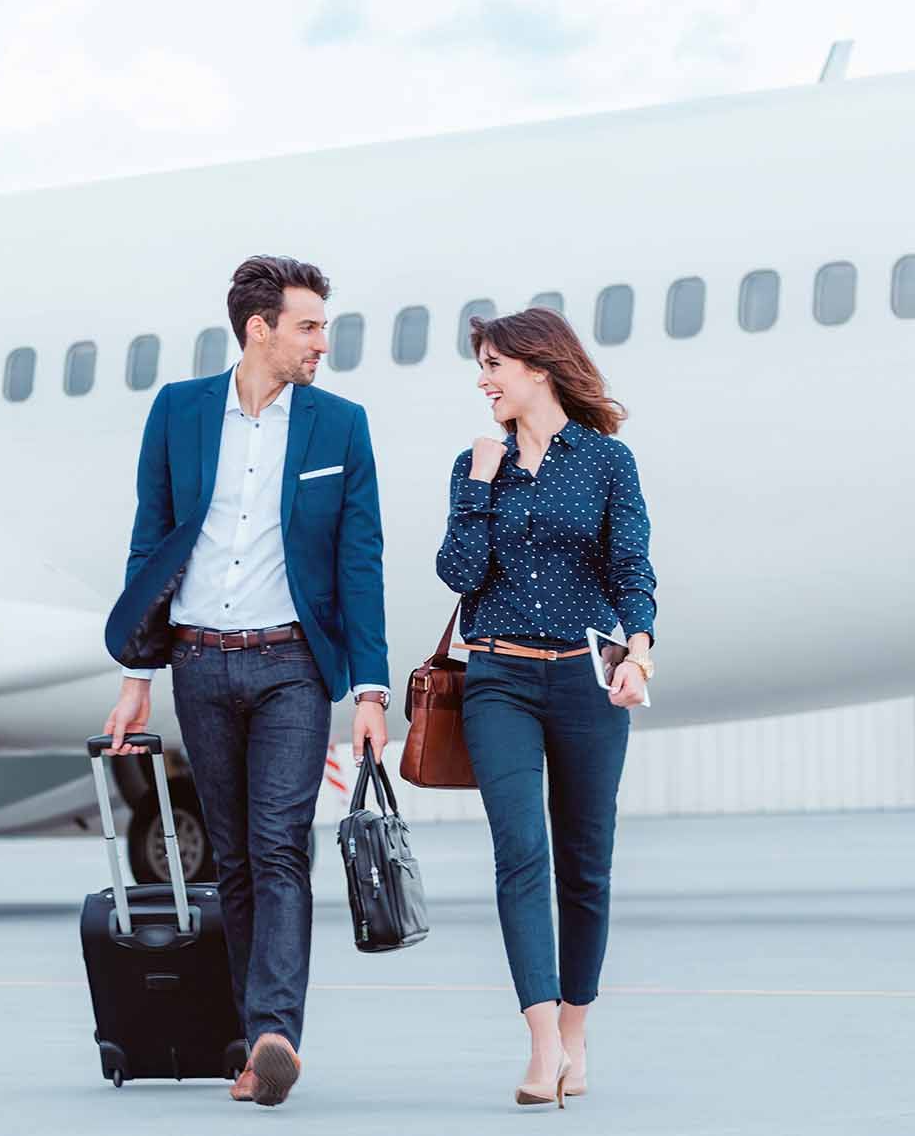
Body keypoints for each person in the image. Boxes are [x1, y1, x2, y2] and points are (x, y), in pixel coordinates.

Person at [101, 255, 392, 1108]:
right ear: (258, 330)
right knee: (232, 858)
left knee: (278, 848)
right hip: (198, 662)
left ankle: (274, 1035)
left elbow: (360, 561)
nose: (323, 343)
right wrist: (137, 675)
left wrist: (370, 690)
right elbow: (151, 539)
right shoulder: (179, 411)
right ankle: (250, 1041)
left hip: (291, 666)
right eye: (308, 327)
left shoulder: (341, 426)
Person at [436, 307, 656, 1107]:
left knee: (585, 865)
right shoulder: (475, 464)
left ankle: (575, 1031)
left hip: (585, 681)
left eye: (494, 365)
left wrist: (640, 650)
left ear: (539, 367)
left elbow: (631, 566)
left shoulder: (606, 461)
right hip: (497, 678)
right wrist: (480, 484)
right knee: (520, 853)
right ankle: (540, 1044)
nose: (483, 381)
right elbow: (459, 573)